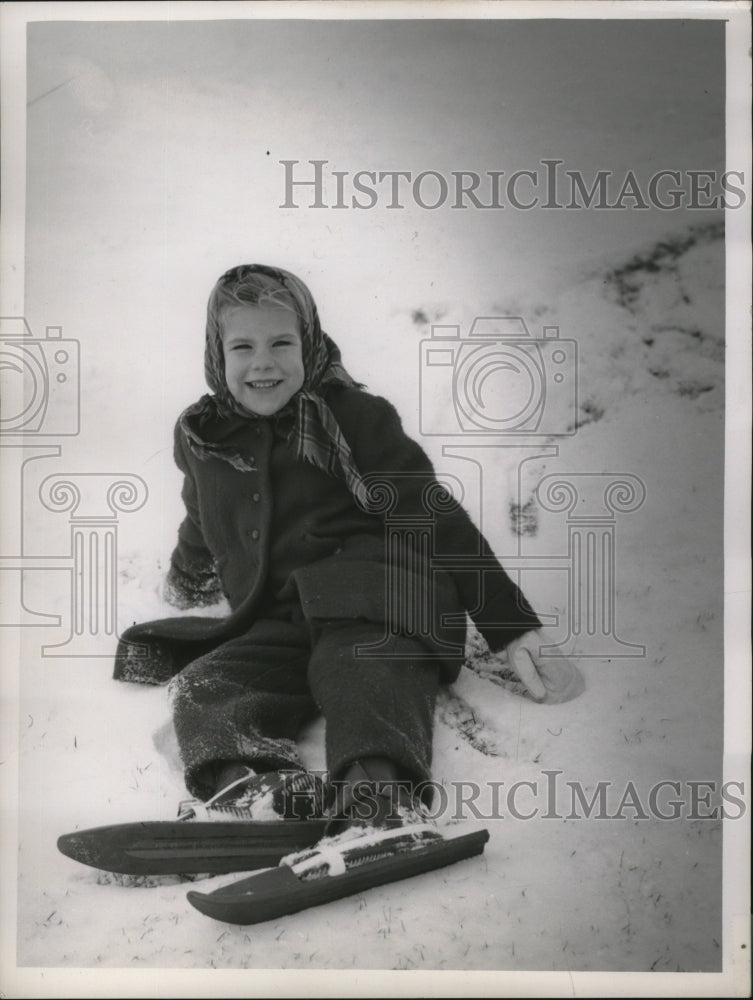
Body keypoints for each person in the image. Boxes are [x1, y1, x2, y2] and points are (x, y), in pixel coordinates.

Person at [114, 263, 555, 839]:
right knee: (212, 685)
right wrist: (187, 579)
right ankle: (256, 788)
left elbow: (434, 515)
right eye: (242, 346)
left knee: (365, 671)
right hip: (278, 615)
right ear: (216, 354)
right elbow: (202, 516)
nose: (262, 362)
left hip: (375, 598)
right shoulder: (203, 436)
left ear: (311, 343)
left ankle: (378, 794)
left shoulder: (354, 418)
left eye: (281, 343)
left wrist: (510, 624)